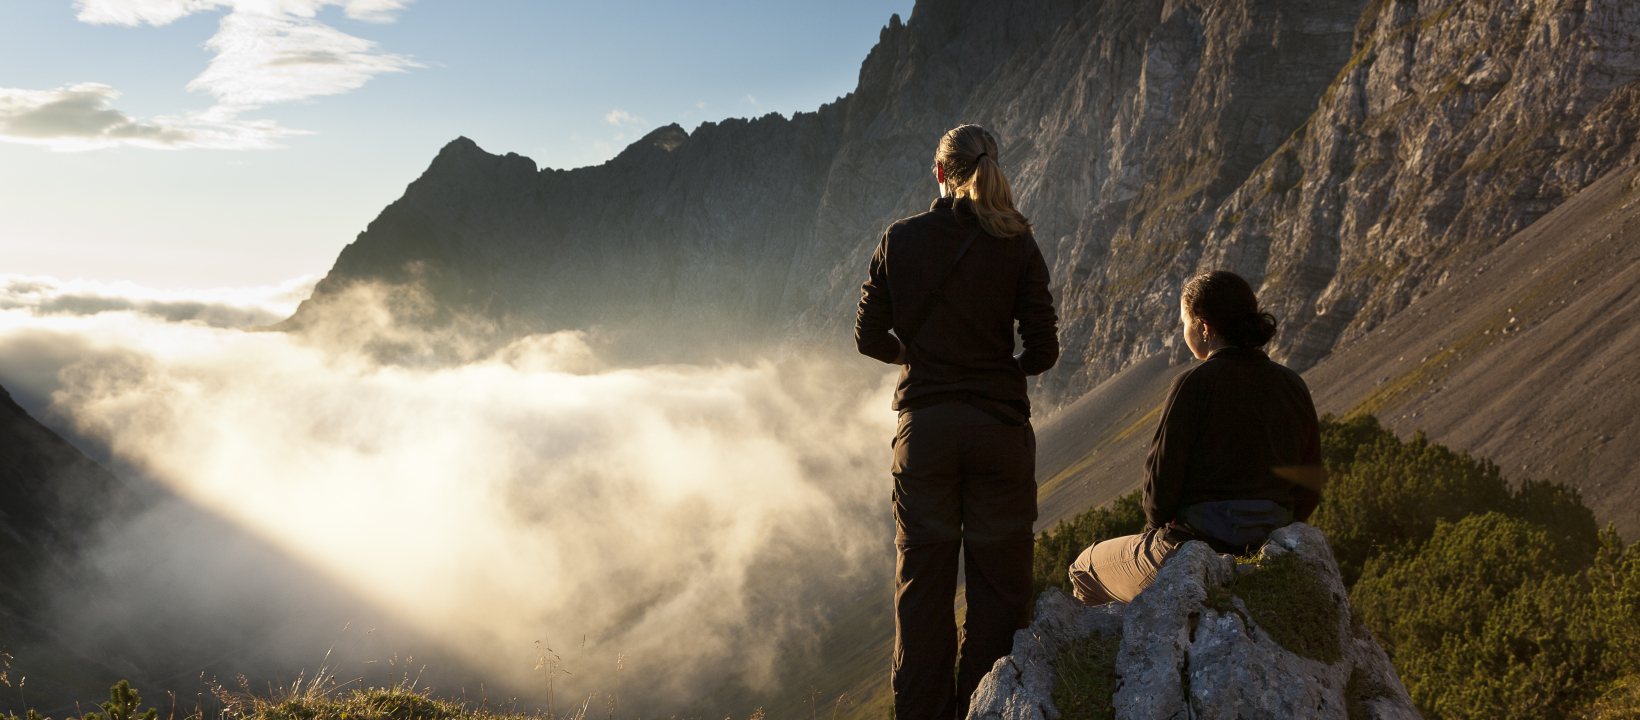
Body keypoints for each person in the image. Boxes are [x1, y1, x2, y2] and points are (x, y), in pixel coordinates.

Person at [854, 124, 1059, 720]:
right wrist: (998, 371)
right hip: (998, 432)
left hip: (926, 437)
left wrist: (916, 357)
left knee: (922, 589)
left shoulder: (900, 239)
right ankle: (984, 706)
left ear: (941, 174)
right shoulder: (1017, 240)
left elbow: (868, 337)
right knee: (998, 589)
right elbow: (1043, 351)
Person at [1068, 270, 1323, 606]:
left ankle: (1121, 650)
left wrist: (1160, 532)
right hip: (1268, 542)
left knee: (1084, 566)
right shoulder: (1293, 385)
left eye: (1184, 322)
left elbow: (1159, 488)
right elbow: (1310, 485)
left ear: (1204, 327)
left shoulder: (1195, 383)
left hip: (1193, 548)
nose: (1184, 332)